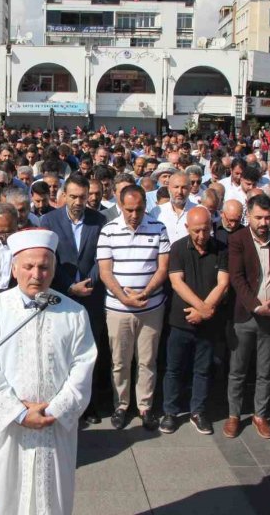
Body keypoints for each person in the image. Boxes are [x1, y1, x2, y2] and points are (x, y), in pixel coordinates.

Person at [0, 228, 96, 515]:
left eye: (44, 267)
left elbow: (83, 365)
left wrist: (55, 410)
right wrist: (18, 412)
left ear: (54, 270)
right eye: (28, 266)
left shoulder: (74, 312)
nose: (36, 274)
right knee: (9, 492)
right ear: (14, 268)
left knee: (54, 495)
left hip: (56, 424)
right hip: (10, 426)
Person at [96, 185, 170, 431]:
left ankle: (145, 406)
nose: (134, 214)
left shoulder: (159, 228)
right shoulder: (108, 231)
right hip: (118, 309)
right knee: (120, 361)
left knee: (147, 360)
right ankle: (121, 405)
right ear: (120, 204)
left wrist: (145, 293)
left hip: (151, 307)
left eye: (139, 209)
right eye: (129, 210)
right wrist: (124, 298)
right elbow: (105, 272)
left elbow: (162, 268)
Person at [40, 173, 108, 424]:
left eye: (83, 196)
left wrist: (88, 283)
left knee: (89, 352)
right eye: (74, 196)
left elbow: (103, 257)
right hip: (62, 296)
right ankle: (63, 404)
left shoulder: (99, 220)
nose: (79, 201)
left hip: (91, 296)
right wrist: (69, 287)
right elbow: (49, 259)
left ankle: (87, 405)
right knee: (63, 351)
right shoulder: (49, 220)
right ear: (64, 196)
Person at [225, 194, 270, 440]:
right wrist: (255, 306)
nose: (264, 222)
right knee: (238, 370)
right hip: (245, 316)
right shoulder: (237, 240)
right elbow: (237, 277)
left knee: (264, 371)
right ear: (249, 216)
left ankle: (260, 415)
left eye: (267, 217)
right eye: (258, 217)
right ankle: (233, 415)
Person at [161, 207, 229, 436]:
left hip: (208, 323)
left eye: (206, 230)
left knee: (203, 369)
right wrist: (203, 308)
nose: (201, 236)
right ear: (187, 228)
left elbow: (223, 283)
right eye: (197, 231)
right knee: (174, 369)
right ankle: (170, 411)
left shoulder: (220, 248)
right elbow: (176, 282)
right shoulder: (178, 248)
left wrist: (206, 311)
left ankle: (198, 411)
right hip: (181, 320)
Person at [155, 172, 197, 244]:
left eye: (184, 188)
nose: (180, 192)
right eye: (176, 187)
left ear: (190, 189)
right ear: (169, 189)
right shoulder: (157, 212)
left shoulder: (198, 211)